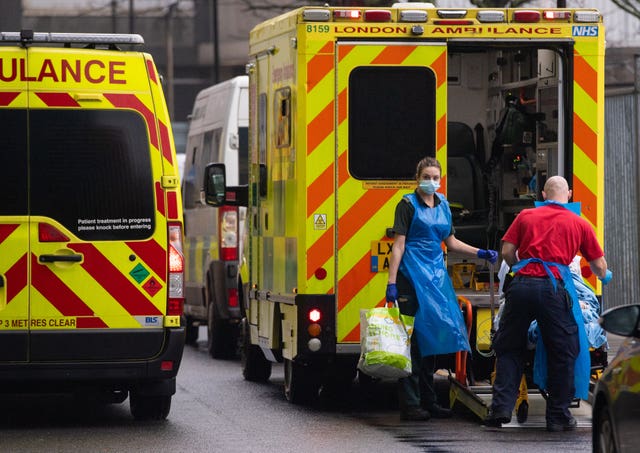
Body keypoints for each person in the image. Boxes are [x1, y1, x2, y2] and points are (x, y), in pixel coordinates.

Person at [485, 175, 611, 432]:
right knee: (563, 350)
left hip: (520, 287)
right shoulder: (579, 223)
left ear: (543, 194)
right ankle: (558, 415)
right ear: (570, 194)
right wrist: (605, 275)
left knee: (509, 346)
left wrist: (521, 265)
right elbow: (598, 266)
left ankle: (500, 410)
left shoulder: (525, 216)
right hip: (553, 289)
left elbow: (507, 251)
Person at [386, 156, 498, 421]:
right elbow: (399, 245)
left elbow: (451, 241)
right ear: (418, 178)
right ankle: (411, 404)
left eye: (435, 178)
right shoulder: (406, 205)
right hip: (410, 277)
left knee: (430, 339)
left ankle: (429, 399)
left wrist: (480, 252)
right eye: (427, 177)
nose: (431, 182)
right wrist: (392, 282)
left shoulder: (444, 205)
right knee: (413, 342)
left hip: (435, 277)